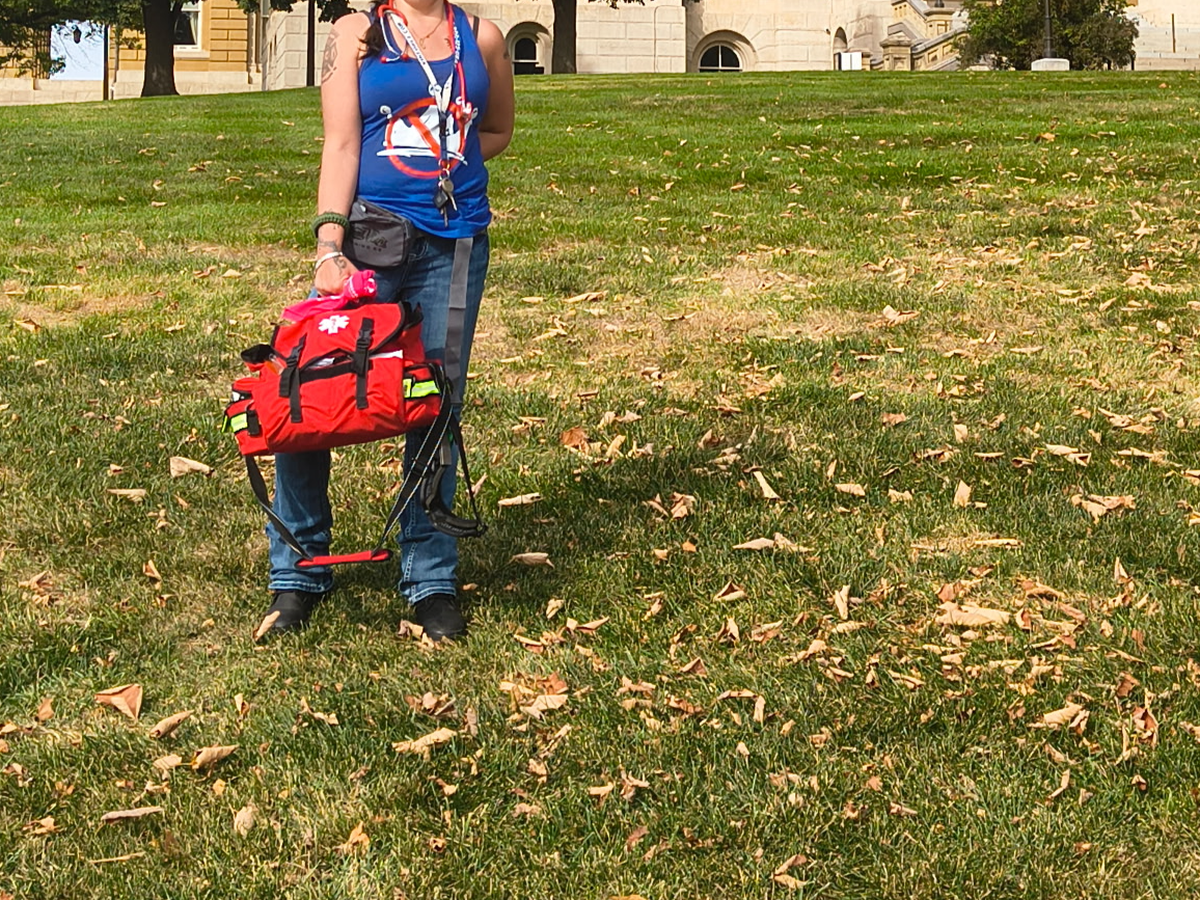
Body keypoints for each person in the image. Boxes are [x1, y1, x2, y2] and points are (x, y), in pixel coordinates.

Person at [258, 0, 514, 642]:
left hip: (456, 245)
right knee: (313, 394)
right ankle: (298, 572)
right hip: (368, 241)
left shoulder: (482, 37)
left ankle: (430, 579)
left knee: (435, 404)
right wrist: (329, 244)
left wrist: (441, 160)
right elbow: (342, 143)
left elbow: (496, 131)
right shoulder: (357, 33)